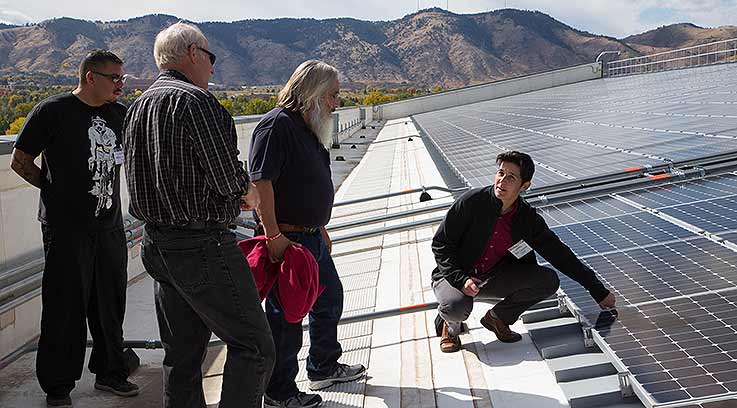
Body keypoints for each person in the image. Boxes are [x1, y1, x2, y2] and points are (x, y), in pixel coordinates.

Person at [122, 22, 274, 408]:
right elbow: (227, 178)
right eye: (210, 57)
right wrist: (249, 193)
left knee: (182, 354)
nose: (213, 66)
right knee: (255, 346)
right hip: (200, 245)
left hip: (156, 246)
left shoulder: (137, 106)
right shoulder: (196, 102)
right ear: (192, 53)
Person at [10, 50, 138, 407]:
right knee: (65, 307)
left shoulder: (119, 114)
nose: (120, 85)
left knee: (110, 304)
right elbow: (21, 160)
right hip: (66, 229)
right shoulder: (53, 111)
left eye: (122, 79)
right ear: (90, 77)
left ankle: (111, 372)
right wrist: (54, 190)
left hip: (110, 225)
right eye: (114, 78)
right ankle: (58, 385)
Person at [249, 60, 366, 408]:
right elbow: (261, 183)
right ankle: (279, 391)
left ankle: (323, 365)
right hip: (288, 241)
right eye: (332, 95)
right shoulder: (275, 127)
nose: (337, 103)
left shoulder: (308, 127)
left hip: (311, 237)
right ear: (312, 94)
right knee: (286, 319)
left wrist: (321, 227)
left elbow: (309, 185)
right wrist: (273, 237)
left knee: (329, 300)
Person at [431, 151, 617, 352]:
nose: (502, 180)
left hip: (491, 279)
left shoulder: (527, 219)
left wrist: (597, 290)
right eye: (500, 173)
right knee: (455, 307)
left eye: (511, 177)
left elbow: (560, 254)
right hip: (454, 276)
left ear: (525, 186)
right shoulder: (471, 202)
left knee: (548, 281)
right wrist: (460, 279)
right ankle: (450, 327)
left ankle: (497, 318)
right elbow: (441, 244)